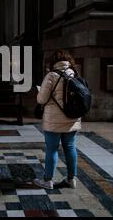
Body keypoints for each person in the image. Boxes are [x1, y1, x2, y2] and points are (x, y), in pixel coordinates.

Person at [34, 50, 82, 190]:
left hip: (54, 120)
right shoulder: (73, 74)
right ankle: (72, 179)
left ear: (53, 62)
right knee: (70, 147)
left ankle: (48, 180)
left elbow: (41, 99)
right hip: (72, 118)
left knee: (52, 149)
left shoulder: (52, 76)